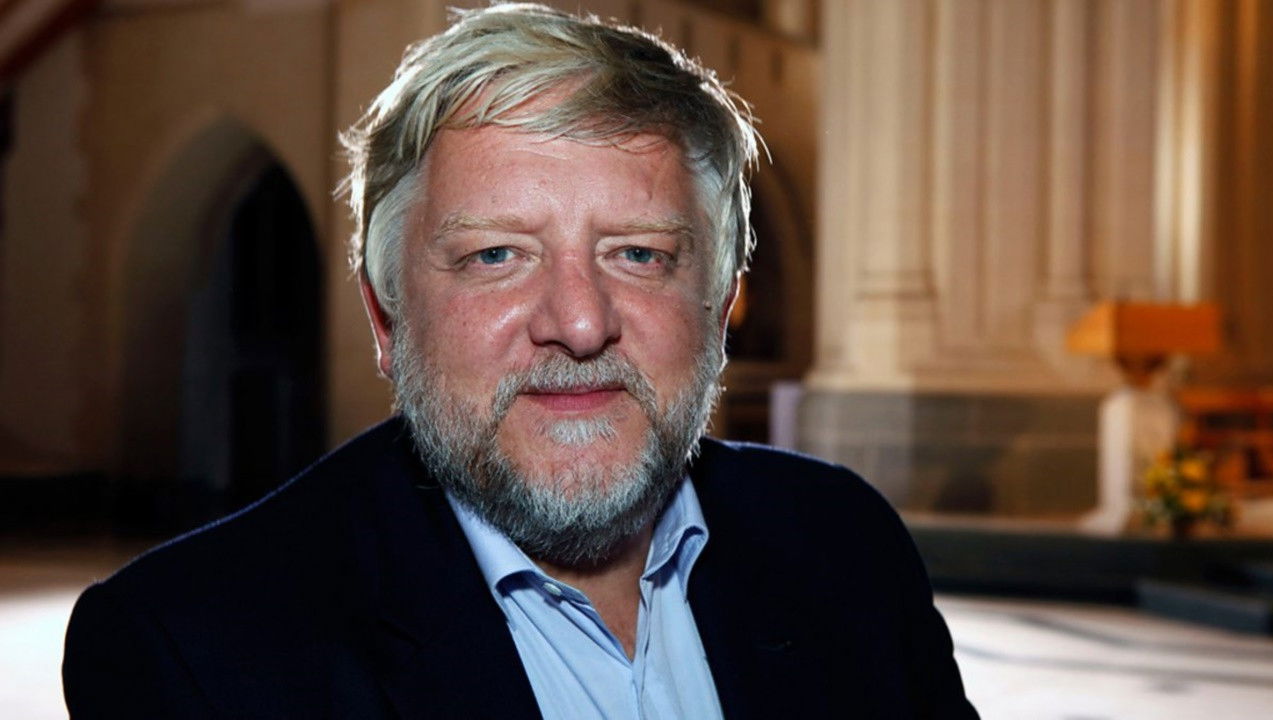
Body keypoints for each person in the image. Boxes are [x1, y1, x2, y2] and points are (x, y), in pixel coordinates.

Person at [63, 4, 977, 718]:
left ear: (721, 304)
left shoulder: (845, 547)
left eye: (639, 254)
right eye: (496, 255)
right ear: (386, 319)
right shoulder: (191, 652)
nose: (578, 323)